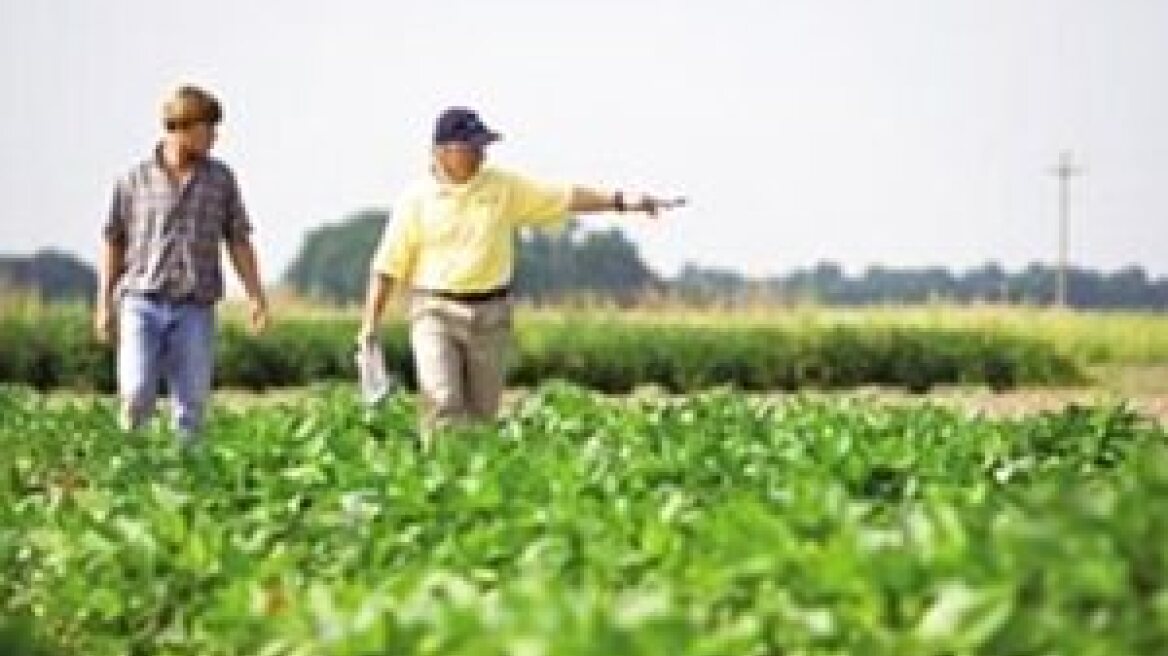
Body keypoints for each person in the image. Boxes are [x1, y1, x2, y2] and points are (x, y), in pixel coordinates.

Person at [358, 107, 683, 439]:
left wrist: (623, 201)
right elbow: (387, 266)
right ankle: (438, 473)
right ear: (443, 151)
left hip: (491, 313)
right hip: (434, 312)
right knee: (443, 400)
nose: (481, 154)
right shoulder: (416, 200)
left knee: (482, 414)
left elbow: (564, 196)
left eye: (482, 146)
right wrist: (370, 325)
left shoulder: (503, 186)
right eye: (472, 147)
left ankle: (471, 483)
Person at [95, 84, 269, 446]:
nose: (215, 137)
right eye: (208, 127)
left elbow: (238, 239)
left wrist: (256, 295)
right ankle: (131, 469)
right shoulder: (132, 181)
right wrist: (104, 304)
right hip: (141, 301)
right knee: (137, 391)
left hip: (195, 305)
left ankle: (186, 480)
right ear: (182, 127)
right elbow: (113, 241)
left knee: (191, 404)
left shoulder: (221, 180)